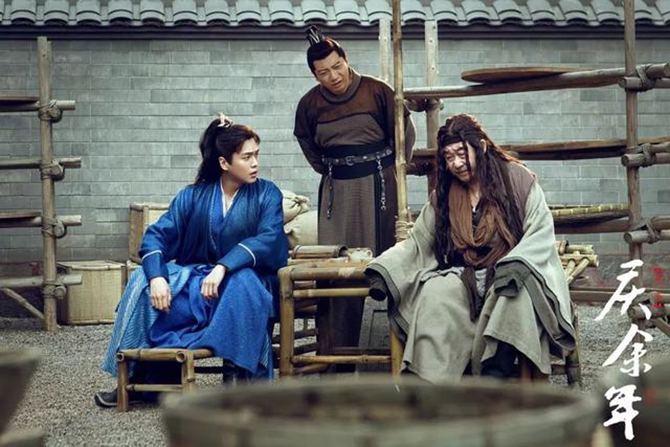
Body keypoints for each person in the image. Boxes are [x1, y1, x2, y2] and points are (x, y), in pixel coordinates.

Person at [94, 114, 288, 407]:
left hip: (242, 287)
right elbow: (156, 236)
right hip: (199, 288)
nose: (255, 163)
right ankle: (138, 378)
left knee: (244, 282)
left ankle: (239, 379)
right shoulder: (192, 196)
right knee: (141, 279)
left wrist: (224, 266)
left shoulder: (267, 194)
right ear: (224, 163)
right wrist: (157, 278)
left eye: (256, 155)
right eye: (247, 157)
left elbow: (270, 239)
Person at [365, 114, 576, 382]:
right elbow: (419, 241)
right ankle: (430, 388)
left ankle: (493, 378)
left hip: (509, 271)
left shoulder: (517, 180)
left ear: (481, 147)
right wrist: (386, 268)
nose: (455, 163)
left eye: (461, 153)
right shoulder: (444, 194)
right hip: (463, 275)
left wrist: (517, 263)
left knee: (513, 294)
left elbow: (540, 231)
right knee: (434, 293)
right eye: (448, 157)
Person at [293, 26, 416, 354]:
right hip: (337, 190)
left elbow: (403, 134)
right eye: (323, 72)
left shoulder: (378, 91)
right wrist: (334, 169)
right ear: (314, 75)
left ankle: (393, 352)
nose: (333, 76)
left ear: (346, 60)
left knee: (388, 259)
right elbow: (307, 143)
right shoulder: (309, 104)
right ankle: (338, 354)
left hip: (380, 185)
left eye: (337, 66)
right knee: (336, 265)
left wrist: (391, 169)